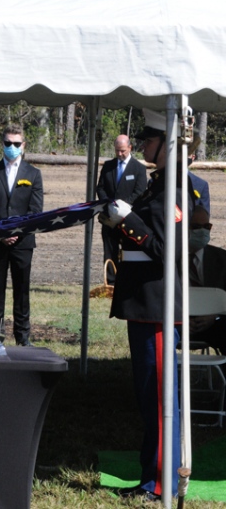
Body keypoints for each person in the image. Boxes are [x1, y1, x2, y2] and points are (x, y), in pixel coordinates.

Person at [103, 108, 194, 501]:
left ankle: (160, 484)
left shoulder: (172, 191)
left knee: (160, 402)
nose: (143, 147)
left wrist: (129, 222)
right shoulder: (159, 186)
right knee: (149, 399)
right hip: (144, 304)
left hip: (155, 305)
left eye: (150, 141)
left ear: (167, 145)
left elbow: (166, 249)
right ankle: (150, 477)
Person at [0, 124, 43, 346]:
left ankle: (22, 337)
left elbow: (35, 210)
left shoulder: (33, 174)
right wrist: (1, 233)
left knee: (22, 290)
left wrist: (15, 233)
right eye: (8, 143)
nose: (12, 147)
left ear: (23, 145)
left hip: (23, 242)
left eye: (16, 143)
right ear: (2, 144)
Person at [95, 135, 147, 284]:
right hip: (109, 218)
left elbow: (140, 192)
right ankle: (111, 282)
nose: (119, 154)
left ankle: (127, 281)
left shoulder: (138, 168)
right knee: (109, 251)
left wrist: (122, 206)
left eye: (122, 151)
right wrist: (109, 204)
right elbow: (100, 187)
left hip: (128, 218)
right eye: (117, 150)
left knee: (128, 250)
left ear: (130, 148)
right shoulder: (108, 166)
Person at [188, 206, 226, 354]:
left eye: (207, 227)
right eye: (196, 227)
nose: (203, 231)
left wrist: (215, 315)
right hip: (175, 325)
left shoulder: (222, 259)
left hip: (215, 325)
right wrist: (178, 318)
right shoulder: (167, 259)